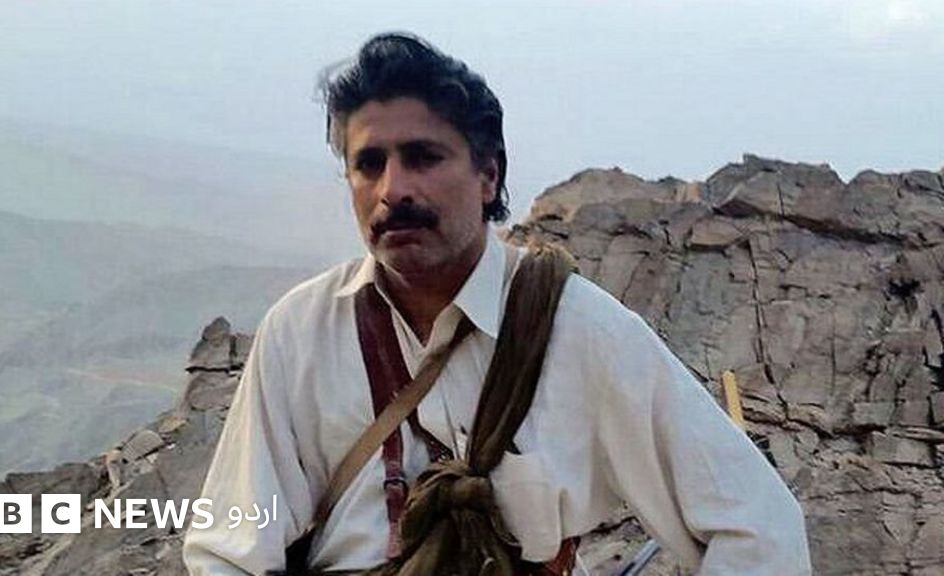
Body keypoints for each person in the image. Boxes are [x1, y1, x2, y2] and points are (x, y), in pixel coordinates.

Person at [182, 32, 811, 575]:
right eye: (368, 164)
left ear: (488, 175)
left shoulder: (579, 329)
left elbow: (759, 528)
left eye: (423, 157)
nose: (392, 189)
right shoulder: (301, 332)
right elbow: (229, 550)